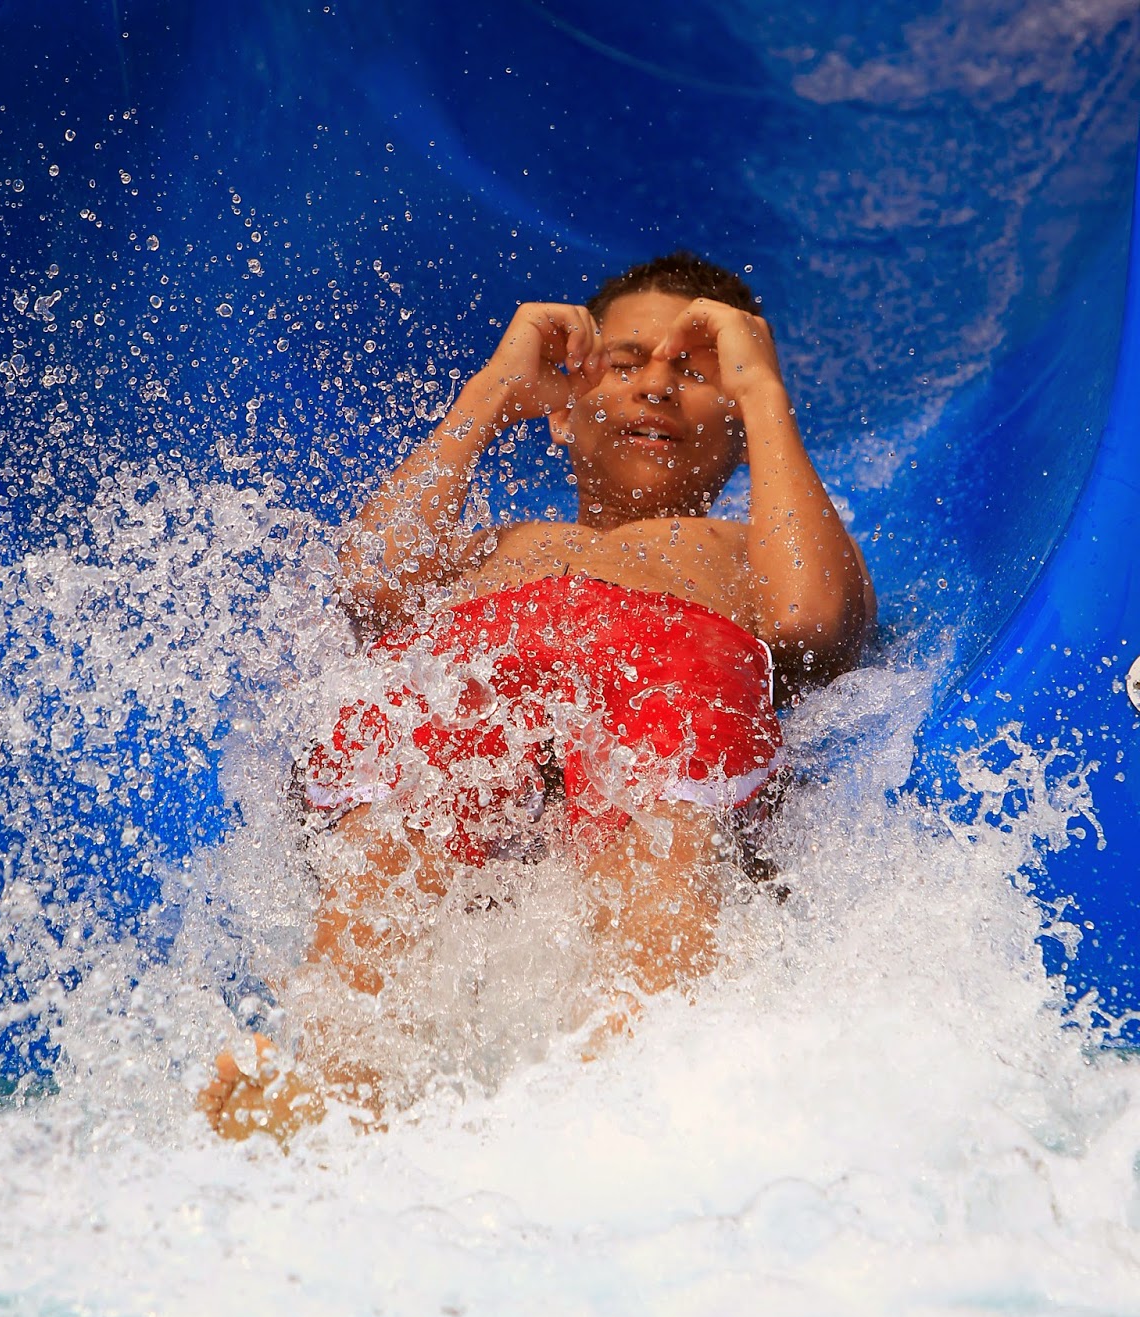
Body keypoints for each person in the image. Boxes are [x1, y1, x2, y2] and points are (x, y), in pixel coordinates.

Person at [200, 251, 874, 1144]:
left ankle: (645, 1087)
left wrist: (765, 394)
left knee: (660, 811)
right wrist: (489, 395)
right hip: (476, 681)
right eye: (625, 362)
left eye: (701, 369)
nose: (659, 386)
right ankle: (337, 1082)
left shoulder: (744, 546)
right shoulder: (493, 546)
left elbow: (811, 618)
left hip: (666, 678)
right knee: (406, 784)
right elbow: (371, 582)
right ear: (563, 410)